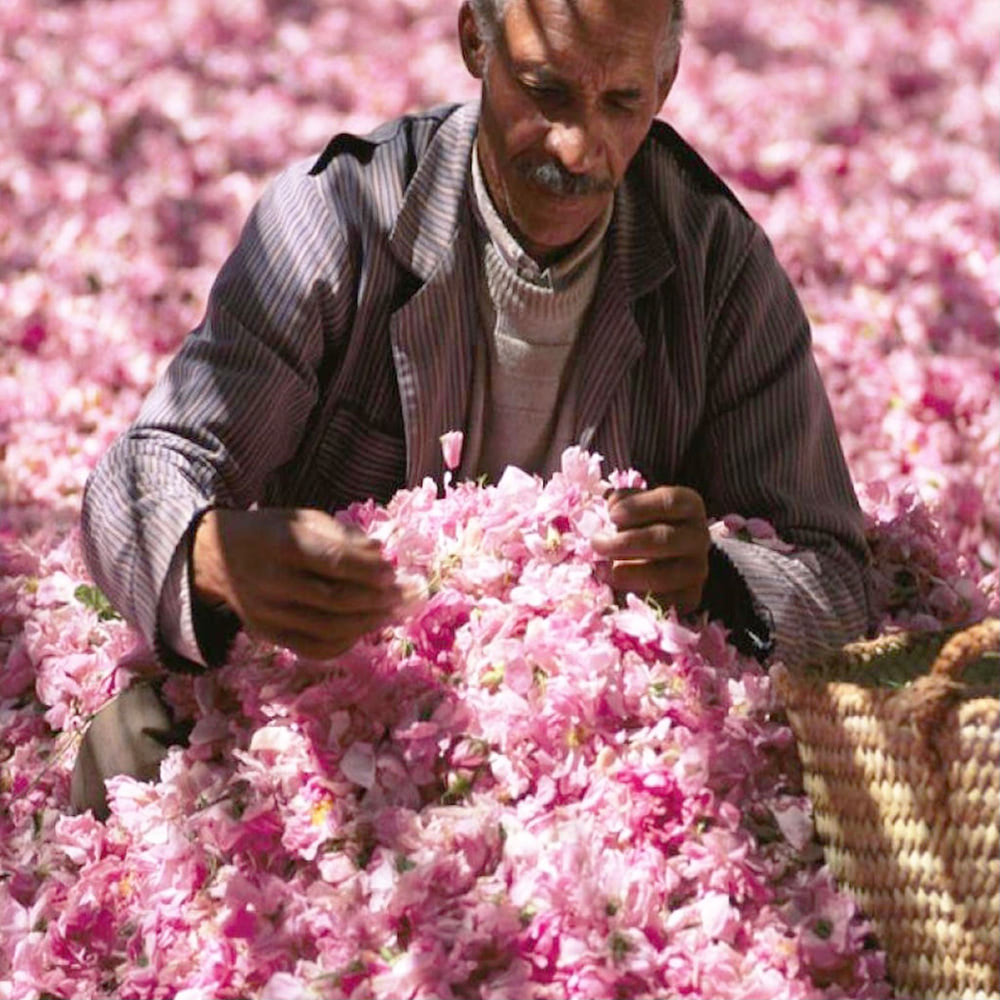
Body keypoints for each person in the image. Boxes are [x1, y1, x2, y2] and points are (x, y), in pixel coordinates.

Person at [72, 0, 873, 817]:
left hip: (595, 776)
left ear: (664, 84)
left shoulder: (719, 266)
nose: (576, 147)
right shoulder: (342, 218)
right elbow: (139, 474)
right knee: (132, 750)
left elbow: (837, 574)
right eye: (545, 90)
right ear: (473, 41)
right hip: (332, 734)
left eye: (621, 103)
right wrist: (212, 554)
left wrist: (718, 579)